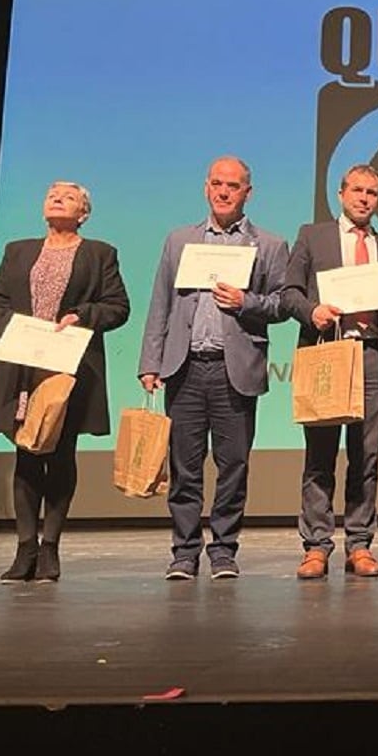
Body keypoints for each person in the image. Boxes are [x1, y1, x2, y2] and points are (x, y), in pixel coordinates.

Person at [138, 157, 288, 580]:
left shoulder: (270, 245)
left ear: (248, 193)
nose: (224, 192)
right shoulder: (179, 240)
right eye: (218, 184)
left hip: (233, 370)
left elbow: (282, 303)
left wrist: (247, 302)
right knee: (184, 466)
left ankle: (223, 550)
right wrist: (151, 361)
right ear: (206, 187)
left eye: (234, 186)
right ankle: (184, 552)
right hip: (184, 368)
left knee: (233, 465)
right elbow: (161, 305)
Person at [0, 182, 130, 582]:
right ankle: (24, 548)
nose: (56, 197)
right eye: (50, 193)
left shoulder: (99, 253)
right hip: (24, 365)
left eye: (68, 195)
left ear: (84, 212)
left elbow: (118, 307)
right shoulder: (18, 250)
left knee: (60, 455)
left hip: (69, 366)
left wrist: (81, 314)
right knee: (26, 454)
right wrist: (14, 327)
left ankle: (50, 548)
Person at [281, 163, 378, 579]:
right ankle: (316, 545)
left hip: (372, 355)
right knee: (319, 456)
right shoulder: (312, 236)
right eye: (357, 190)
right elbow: (288, 294)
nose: (364, 198)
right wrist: (311, 311)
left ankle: (359, 544)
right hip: (327, 351)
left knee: (365, 458)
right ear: (341, 194)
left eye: (372, 193)